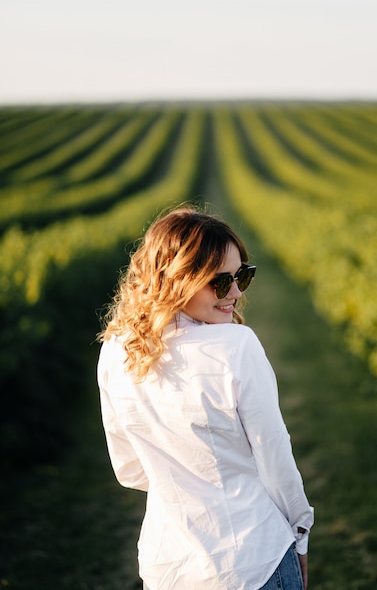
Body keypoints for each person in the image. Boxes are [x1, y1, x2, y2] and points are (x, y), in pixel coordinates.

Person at [97, 206, 314, 590]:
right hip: (254, 559)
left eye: (242, 277)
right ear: (177, 281)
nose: (234, 293)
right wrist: (301, 533)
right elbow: (275, 460)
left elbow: (128, 469)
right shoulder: (236, 346)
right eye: (219, 282)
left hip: (169, 568)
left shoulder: (117, 349)